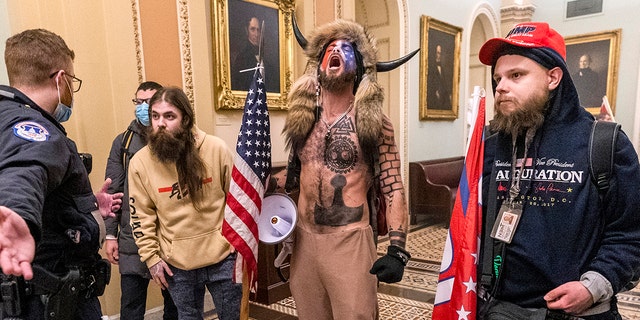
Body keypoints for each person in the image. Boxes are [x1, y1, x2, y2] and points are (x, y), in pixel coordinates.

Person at [477, 22, 640, 319]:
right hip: (498, 308)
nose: (500, 86)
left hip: (579, 312)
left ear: (553, 78)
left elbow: (630, 233)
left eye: (516, 75)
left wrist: (593, 287)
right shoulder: (490, 147)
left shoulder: (604, 144)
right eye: (498, 77)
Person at [282, 19, 415, 319]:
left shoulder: (374, 123)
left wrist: (397, 250)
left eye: (346, 48)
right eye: (330, 47)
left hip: (350, 242)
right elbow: (296, 175)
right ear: (318, 64)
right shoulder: (302, 119)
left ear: (359, 67)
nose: (336, 51)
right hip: (304, 241)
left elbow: (393, 188)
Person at [0, 28, 123, 319]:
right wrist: (17, 215)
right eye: (72, 81)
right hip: (51, 301)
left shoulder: (6, 118)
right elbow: (24, 171)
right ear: (61, 79)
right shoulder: (34, 129)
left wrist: (83, 208)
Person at [127, 87, 241, 320]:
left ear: (186, 119)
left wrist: (238, 240)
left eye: (169, 116)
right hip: (176, 262)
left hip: (222, 255)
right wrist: (152, 258)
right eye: (155, 116)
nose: (160, 124)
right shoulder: (140, 162)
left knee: (234, 316)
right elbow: (140, 215)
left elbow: (237, 199)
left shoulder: (215, 148)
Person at [104, 81, 178, 320]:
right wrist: (110, 235)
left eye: (150, 102)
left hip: (170, 236)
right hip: (131, 238)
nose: (144, 107)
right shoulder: (123, 143)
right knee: (132, 308)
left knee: (175, 305)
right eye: (139, 102)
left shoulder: (176, 140)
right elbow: (113, 191)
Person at [230, 16, 279, 93]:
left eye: (258, 30)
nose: (256, 34)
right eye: (252, 29)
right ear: (247, 31)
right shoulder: (242, 57)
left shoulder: (266, 57)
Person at [427, 44, 452, 110]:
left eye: (440, 53)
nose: (439, 56)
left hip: (442, 100)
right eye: (438, 53)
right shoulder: (430, 68)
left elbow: (444, 85)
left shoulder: (443, 69)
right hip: (433, 100)